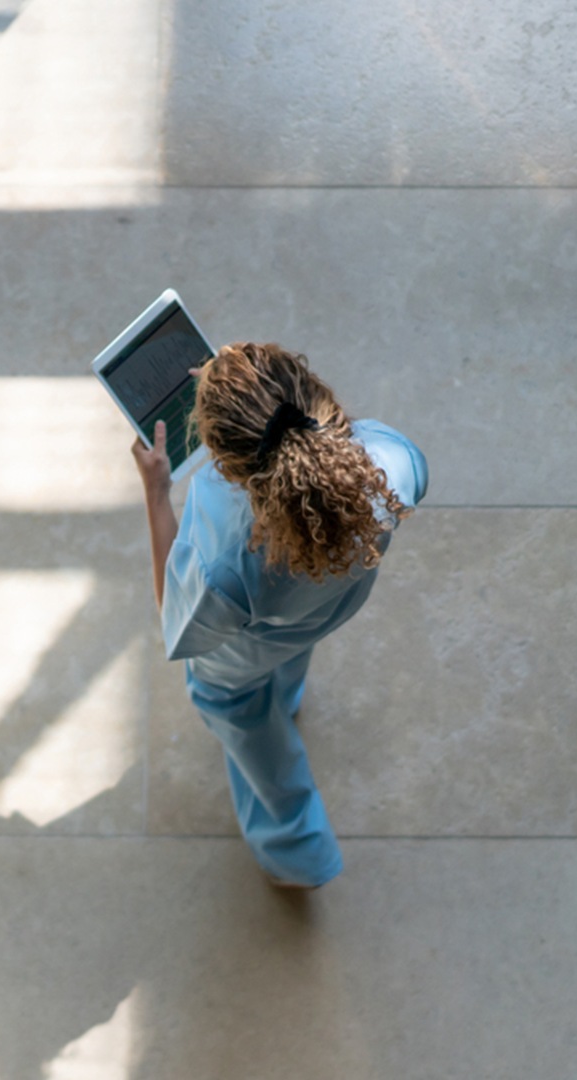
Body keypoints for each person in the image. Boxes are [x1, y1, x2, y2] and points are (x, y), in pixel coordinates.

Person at [130, 342, 428, 889]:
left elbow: (179, 620)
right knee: (288, 656)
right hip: (328, 607)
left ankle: (299, 853)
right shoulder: (393, 462)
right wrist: (250, 390)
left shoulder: (225, 555)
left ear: (227, 465)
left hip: (243, 653)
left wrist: (157, 492)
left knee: (244, 720)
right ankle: (287, 699)